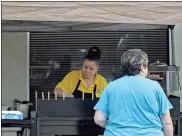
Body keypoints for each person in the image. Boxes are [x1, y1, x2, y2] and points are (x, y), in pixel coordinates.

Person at [93, 49, 173, 136]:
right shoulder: (155, 86)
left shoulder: (111, 86)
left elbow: (98, 119)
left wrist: (115, 127)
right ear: (142, 67)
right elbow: (167, 123)